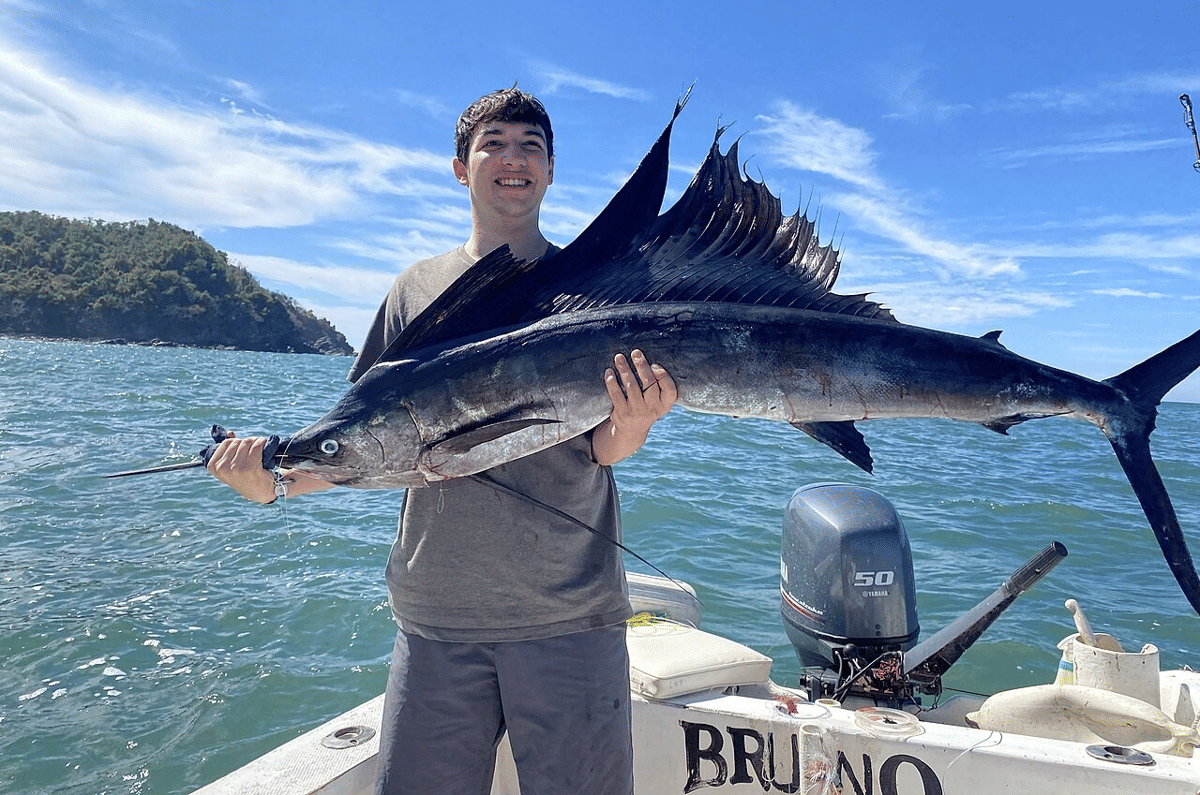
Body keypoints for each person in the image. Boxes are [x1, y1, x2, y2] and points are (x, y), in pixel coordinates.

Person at [206, 86, 676, 795]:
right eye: (494, 143)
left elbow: (599, 448)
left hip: (569, 616)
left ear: (551, 170)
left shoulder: (598, 291)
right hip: (436, 622)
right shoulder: (412, 292)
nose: (512, 159)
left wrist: (634, 423)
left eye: (530, 146)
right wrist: (270, 482)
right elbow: (360, 445)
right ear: (461, 167)